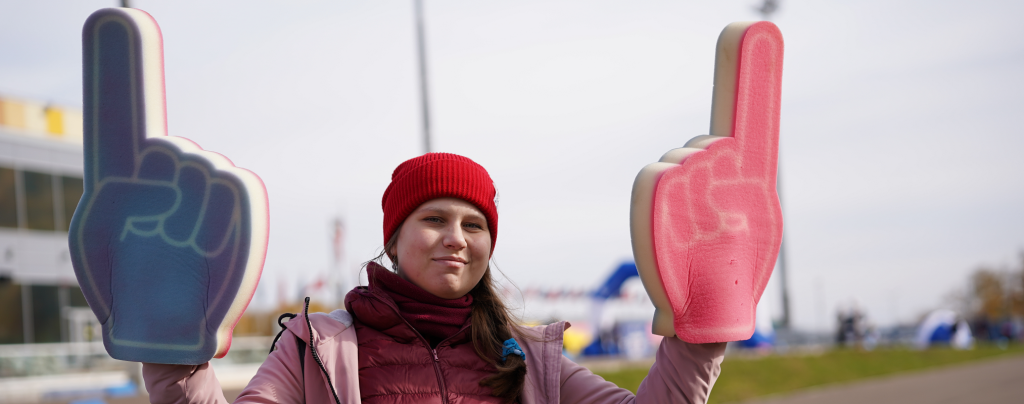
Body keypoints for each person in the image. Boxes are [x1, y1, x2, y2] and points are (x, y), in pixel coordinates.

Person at [143, 153, 726, 404]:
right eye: (434, 219)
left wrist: (703, 329)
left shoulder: (527, 355)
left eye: (475, 225)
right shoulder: (315, 346)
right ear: (393, 239)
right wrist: (173, 352)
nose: (457, 237)